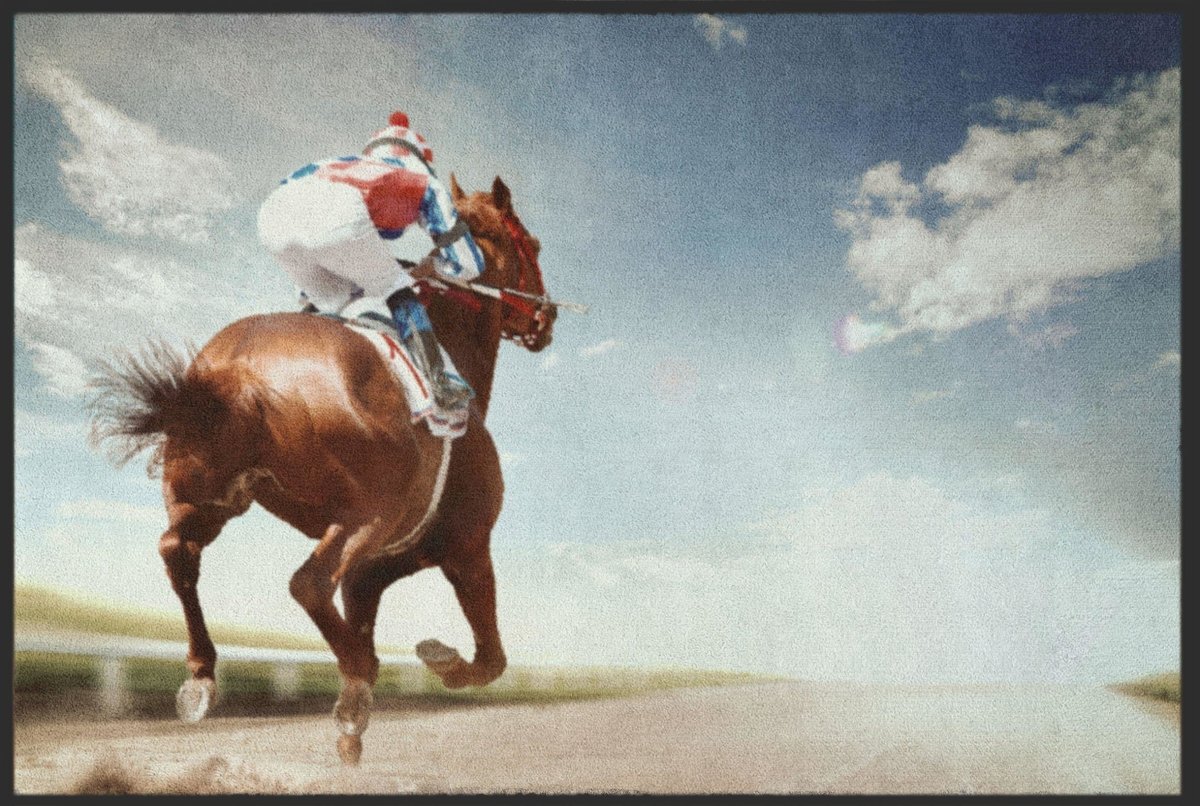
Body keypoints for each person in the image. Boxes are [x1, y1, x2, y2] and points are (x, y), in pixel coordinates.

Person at [257, 111, 485, 409]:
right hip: (339, 216)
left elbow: (318, 240)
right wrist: (434, 266)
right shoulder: (425, 180)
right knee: (397, 289)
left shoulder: (338, 162)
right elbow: (469, 264)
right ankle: (439, 385)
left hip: (272, 218)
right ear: (421, 158)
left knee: (334, 301)